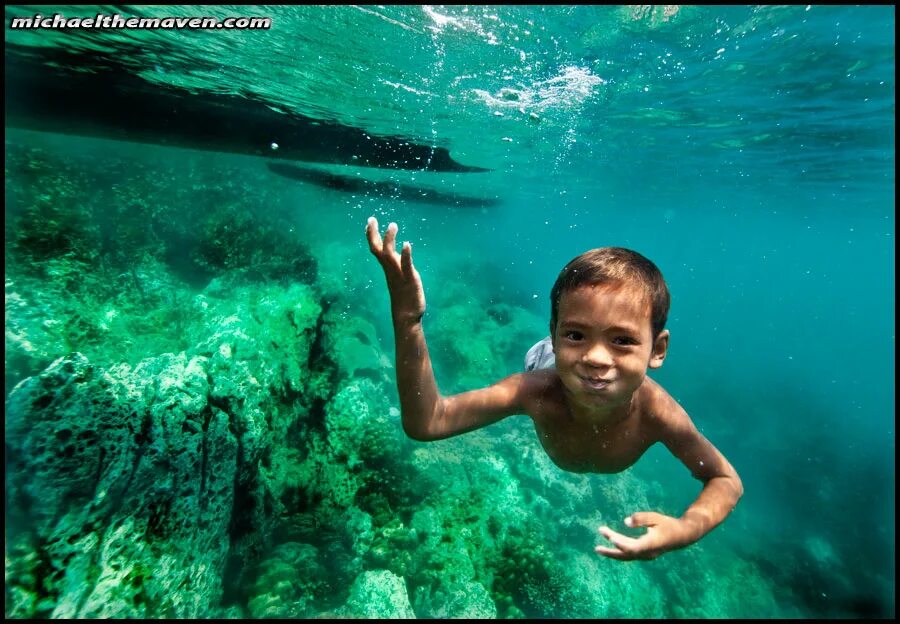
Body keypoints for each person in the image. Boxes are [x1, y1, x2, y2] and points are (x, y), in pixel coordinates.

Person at [365, 217, 743, 561]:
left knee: (573, 363)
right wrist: (409, 321)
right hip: (547, 366)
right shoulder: (534, 393)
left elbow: (726, 480)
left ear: (657, 350)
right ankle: (557, 347)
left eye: (622, 340)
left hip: (562, 363)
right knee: (546, 364)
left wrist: (684, 529)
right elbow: (428, 422)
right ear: (555, 330)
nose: (597, 356)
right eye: (577, 334)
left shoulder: (659, 413)